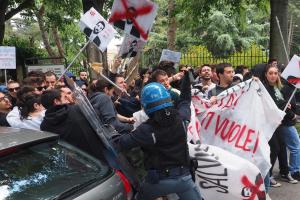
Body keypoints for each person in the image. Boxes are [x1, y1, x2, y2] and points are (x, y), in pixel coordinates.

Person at [113, 71, 201, 200]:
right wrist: (186, 81)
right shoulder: (181, 119)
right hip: (184, 179)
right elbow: (185, 100)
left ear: (146, 105)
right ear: (168, 99)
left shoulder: (146, 130)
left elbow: (121, 143)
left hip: (157, 182)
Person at [40, 89, 106, 161]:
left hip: (74, 161)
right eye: (64, 97)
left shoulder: (44, 126)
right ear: (56, 101)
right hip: (96, 156)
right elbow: (97, 115)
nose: (67, 98)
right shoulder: (76, 109)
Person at [262, 64, 298, 186]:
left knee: (281, 147)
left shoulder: (277, 88)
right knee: (274, 149)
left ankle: (284, 172)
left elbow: (281, 102)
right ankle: (268, 175)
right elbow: (270, 106)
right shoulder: (264, 88)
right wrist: (288, 111)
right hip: (269, 125)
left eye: (275, 73)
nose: (273, 76)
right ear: (266, 74)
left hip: (279, 124)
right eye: (270, 73)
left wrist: (288, 109)